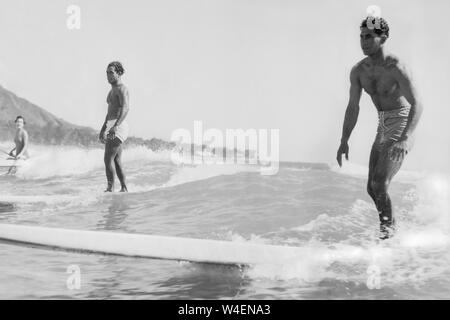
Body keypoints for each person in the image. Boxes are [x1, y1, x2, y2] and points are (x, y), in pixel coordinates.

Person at [336, 16, 423, 239]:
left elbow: (417, 104)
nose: (363, 41)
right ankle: (392, 229)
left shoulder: (395, 67)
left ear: (382, 38)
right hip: (383, 124)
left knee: (379, 183)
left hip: (402, 122)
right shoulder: (358, 71)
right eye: (361, 36)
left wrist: (405, 137)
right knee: (371, 188)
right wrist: (344, 140)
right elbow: (352, 107)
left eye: (369, 37)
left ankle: (387, 236)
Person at [99, 61, 130, 192]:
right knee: (116, 160)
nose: (108, 75)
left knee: (107, 158)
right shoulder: (111, 91)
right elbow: (109, 113)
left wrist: (116, 126)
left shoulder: (122, 89)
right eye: (107, 73)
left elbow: (126, 108)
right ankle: (124, 188)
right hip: (111, 125)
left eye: (111, 72)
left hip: (119, 125)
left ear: (119, 73)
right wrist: (103, 129)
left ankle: (110, 188)